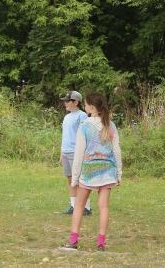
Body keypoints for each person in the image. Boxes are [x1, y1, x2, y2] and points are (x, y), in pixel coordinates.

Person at [61, 92, 122, 252]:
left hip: (88, 172)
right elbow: (117, 151)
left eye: (86, 104)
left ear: (92, 107)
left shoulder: (85, 126)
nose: (85, 106)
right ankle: (101, 243)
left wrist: (75, 178)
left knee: (79, 206)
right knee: (104, 207)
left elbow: (79, 153)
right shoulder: (110, 124)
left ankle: (73, 241)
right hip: (108, 171)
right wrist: (119, 173)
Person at [59, 91, 91, 215]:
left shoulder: (82, 116)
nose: (65, 103)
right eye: (65, 101)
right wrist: (62, 152)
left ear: (76, 102)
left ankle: (86, 207)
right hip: (66, 152)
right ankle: (73, 205)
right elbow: (65, 136)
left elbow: (85, 135)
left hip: (76, 152)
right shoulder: (67, 117)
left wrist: (84, 152)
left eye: (68, 101)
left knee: (80, 179)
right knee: (70, 179)